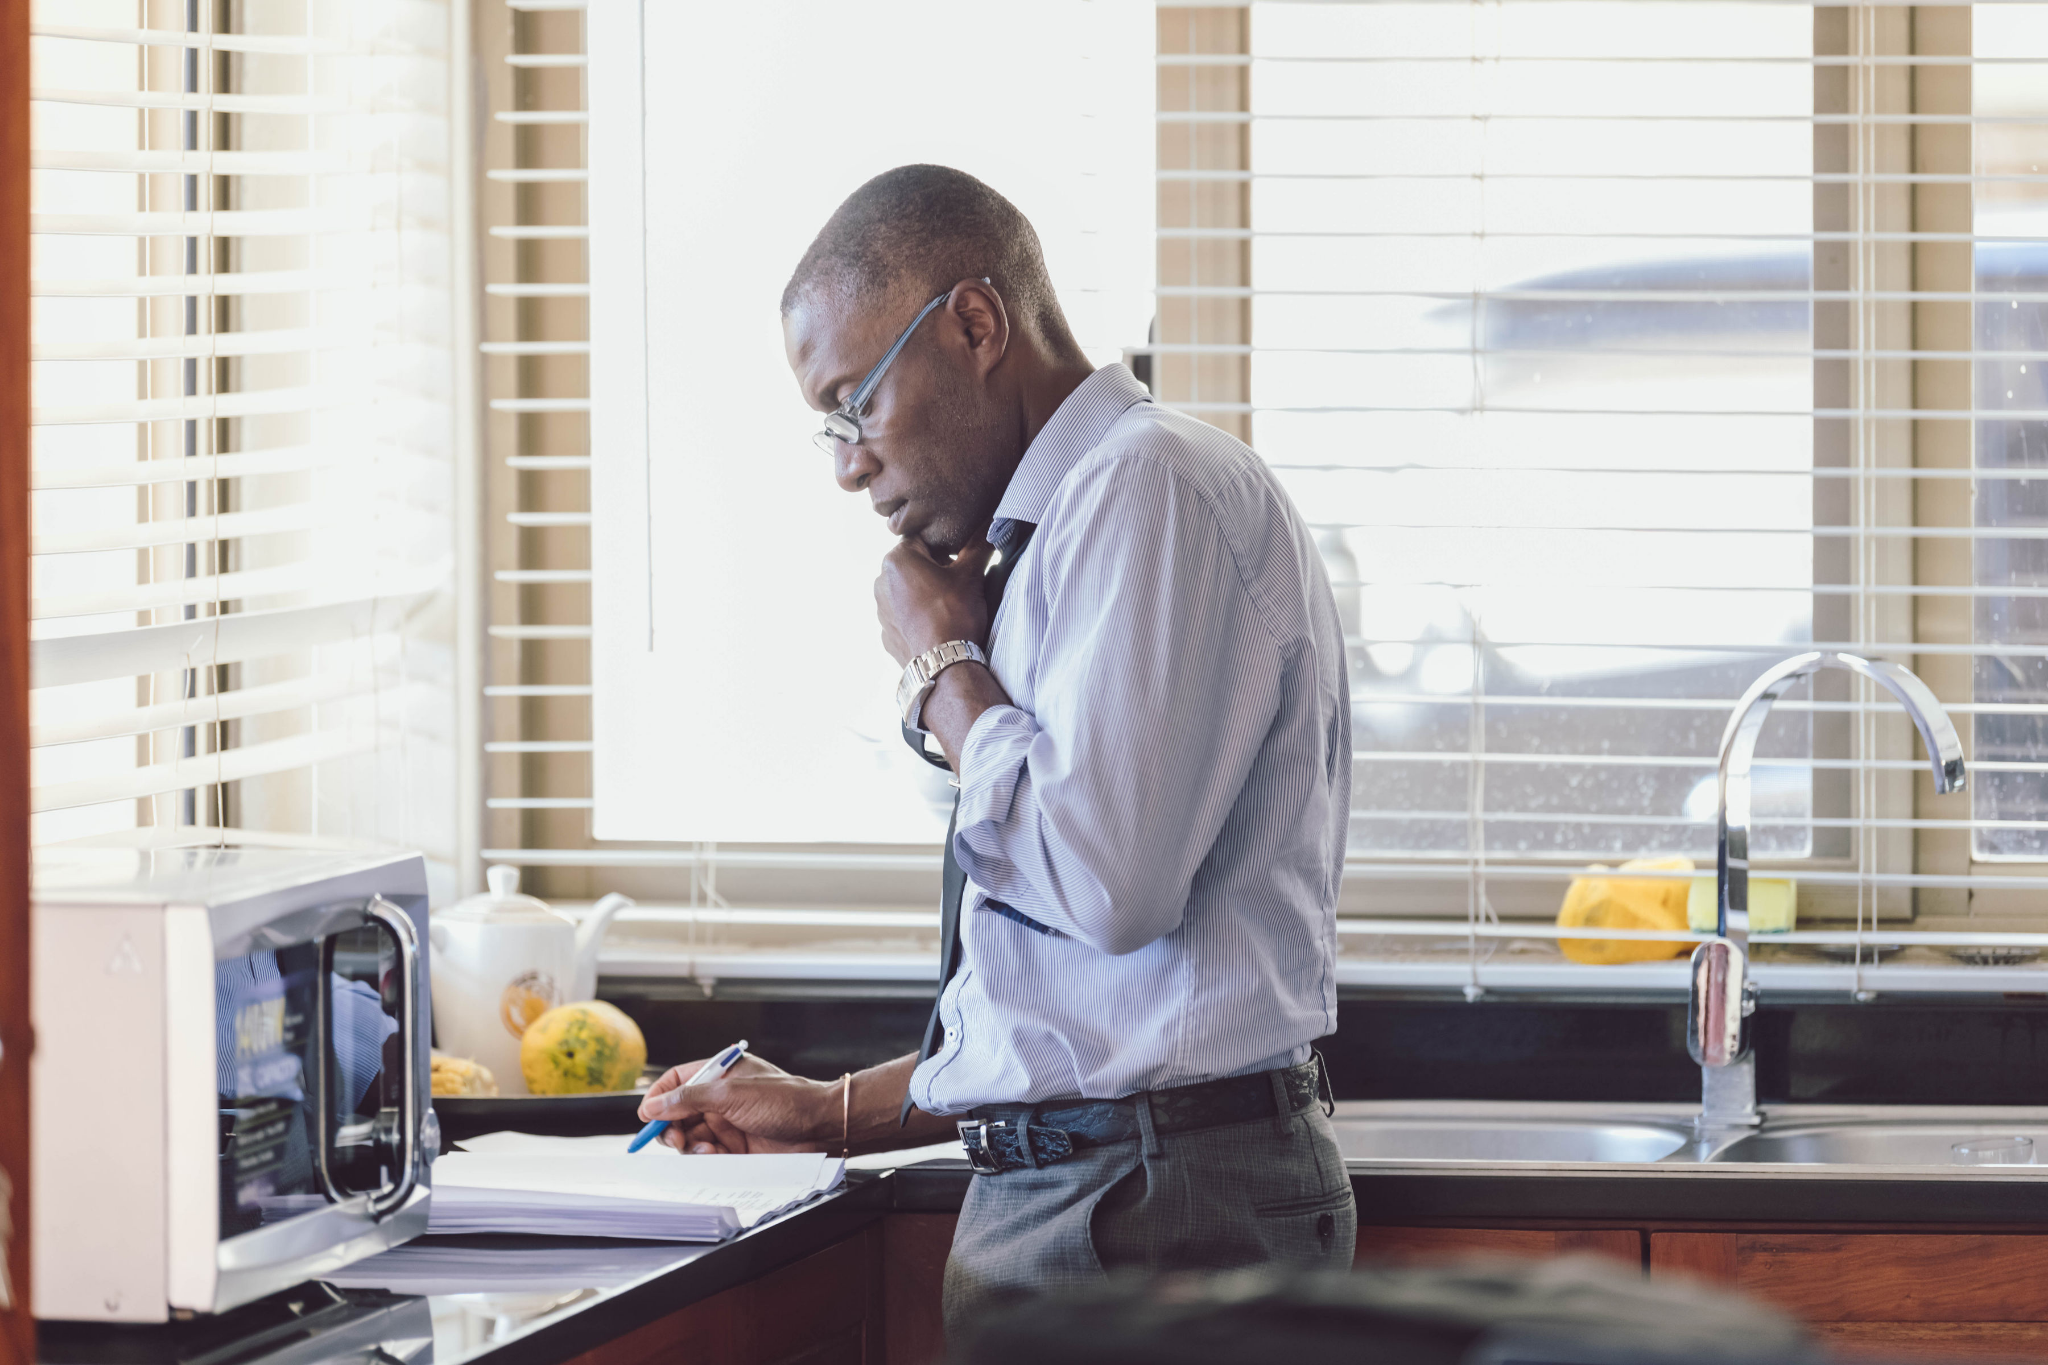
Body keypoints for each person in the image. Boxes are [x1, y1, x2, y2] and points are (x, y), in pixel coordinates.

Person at [637, 164, 1355, 1331]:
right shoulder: (1064, 534)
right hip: (1107, 1198)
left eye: (853, 403)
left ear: (974, 322)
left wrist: (941, 672)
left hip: (1144, 1219)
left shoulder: (1147, 487)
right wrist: (827, 1112)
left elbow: (1104, 887)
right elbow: (1072, 1018)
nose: (845, 463)